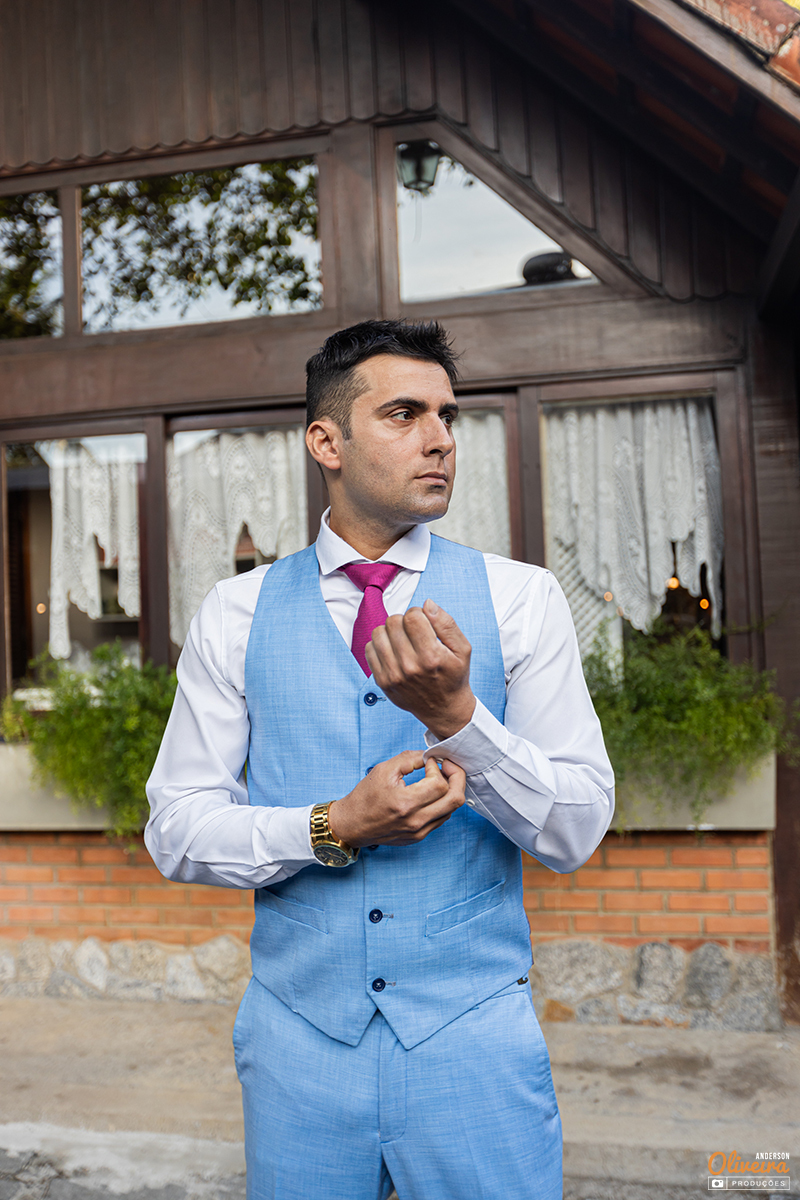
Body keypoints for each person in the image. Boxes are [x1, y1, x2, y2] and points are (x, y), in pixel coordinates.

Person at [146, 318, 614, 1200]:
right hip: (299, 1044)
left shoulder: (521, 599)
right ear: (327, 442)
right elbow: (176, 829)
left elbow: (576, 829)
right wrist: (334, 825)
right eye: (404, 414)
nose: (441, 439)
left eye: (447, 415)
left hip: (472, 1042)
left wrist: (458, 718)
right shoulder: (235, 613)